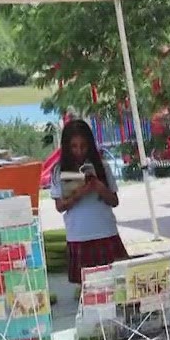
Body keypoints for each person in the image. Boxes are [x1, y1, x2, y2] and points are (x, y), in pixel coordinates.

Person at [53, 119, 124, 284]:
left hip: (106, 232)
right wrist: (79, 194)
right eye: (74, 146)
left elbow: (114, 201)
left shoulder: (103, 167)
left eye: (83, 146)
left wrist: (100, 188)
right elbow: (59, 206)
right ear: (67, 147)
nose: (79, 151)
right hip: (79, 235)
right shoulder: (59, 170)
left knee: (115, 283)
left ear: (90, 145)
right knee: (87, 287)